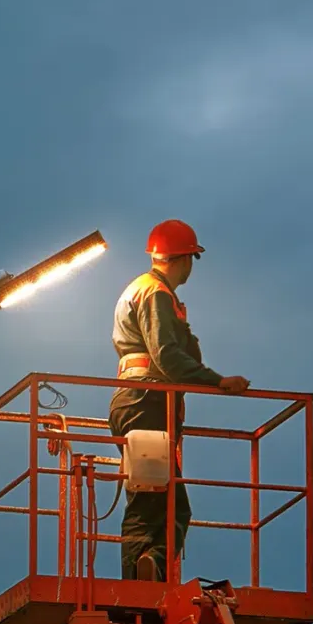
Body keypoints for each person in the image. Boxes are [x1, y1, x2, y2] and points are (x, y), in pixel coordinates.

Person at [108, 219, 250, 582]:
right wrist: (217, 381)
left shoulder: (139, 289)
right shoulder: (155, 293)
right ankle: (141, 581)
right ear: (185, 259)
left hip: (138, 400)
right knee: (156, 503)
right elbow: (167, 356)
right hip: (148, 401)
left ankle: (150, 570)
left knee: (162, 501)